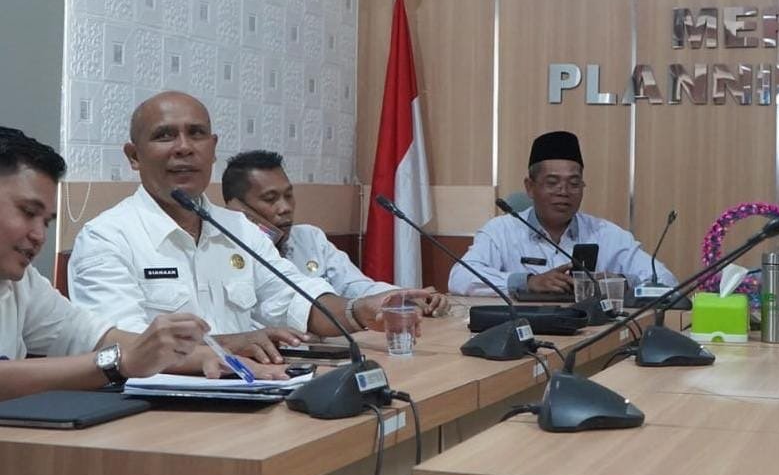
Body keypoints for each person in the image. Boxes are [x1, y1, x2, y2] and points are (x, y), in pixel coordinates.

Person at [68, 92, 437, 364]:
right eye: (165, 136)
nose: (184, 148)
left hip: (251, 391)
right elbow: (123, 348)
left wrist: (360, 310)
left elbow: (295, 298)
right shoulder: (107, 238)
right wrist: (231, 345)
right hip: (159, 412)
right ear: (134, 156)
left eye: (196, 134)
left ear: (213, 147)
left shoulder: (238, 230)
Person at [0, 126, 219, 399]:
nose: (39, 236)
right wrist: (118, 362)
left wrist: (207, 356)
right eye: (28, 212)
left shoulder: (23, 283)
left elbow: (96, 337)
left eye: (46, 222)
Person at [449, 130, 677, 296]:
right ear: (530, 187)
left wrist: (620, 282)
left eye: (574, 183)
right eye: (552, 182)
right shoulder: (501, 230)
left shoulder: (605, 233)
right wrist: (528, 282)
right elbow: (460, 278)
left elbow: (667, 281)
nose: (564, 192)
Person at [220, 149, 448, 309]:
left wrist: (402, 296)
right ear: (237, 208)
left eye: (289, 196)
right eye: (270, 199)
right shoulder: (226, 253)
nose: (285, 208)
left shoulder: (310, 238)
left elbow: (355, 286)